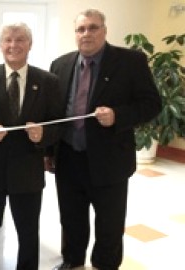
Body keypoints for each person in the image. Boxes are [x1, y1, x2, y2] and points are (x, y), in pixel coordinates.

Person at [49, 9, 161, 270]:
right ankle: (72, 261)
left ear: (104, 30)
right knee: (71, 220)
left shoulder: (130, 61)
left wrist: (118, 115)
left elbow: (152, 104)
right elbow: (54, 112)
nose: (86, 34)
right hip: (68, 158)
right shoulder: (60, 65)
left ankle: (104, 265)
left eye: (93, 27)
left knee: (109, 225)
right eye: (80, 29)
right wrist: (48, 152)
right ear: (74, 34)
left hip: (109, 161)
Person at [0, 22, 64, 270]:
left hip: (28, 171)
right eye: (8, 39)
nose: (13, 45)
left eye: (20, 39)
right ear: (0, 45)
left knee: (28, 233)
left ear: (30, 44)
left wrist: (43, 134)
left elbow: (60, 125)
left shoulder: (48, 81)